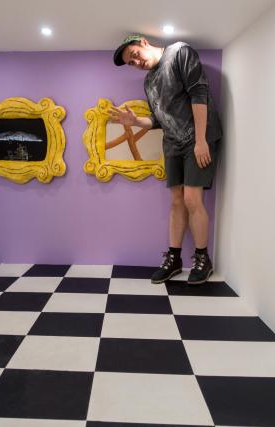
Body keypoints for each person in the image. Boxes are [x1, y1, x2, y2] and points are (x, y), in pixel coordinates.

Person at [111, 35, 223, 285]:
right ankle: (174, 259)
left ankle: (203, 259)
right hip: (172, 143)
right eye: (131, 63)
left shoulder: (179, 52)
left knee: (192, 198)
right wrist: (135, 121)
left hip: (198, 138)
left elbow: (199, 93)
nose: (136, 62)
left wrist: (201, 140)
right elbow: (157, 119)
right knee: (176, 201)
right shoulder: (149, 81)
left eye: (135, 55)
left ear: (143, 42)